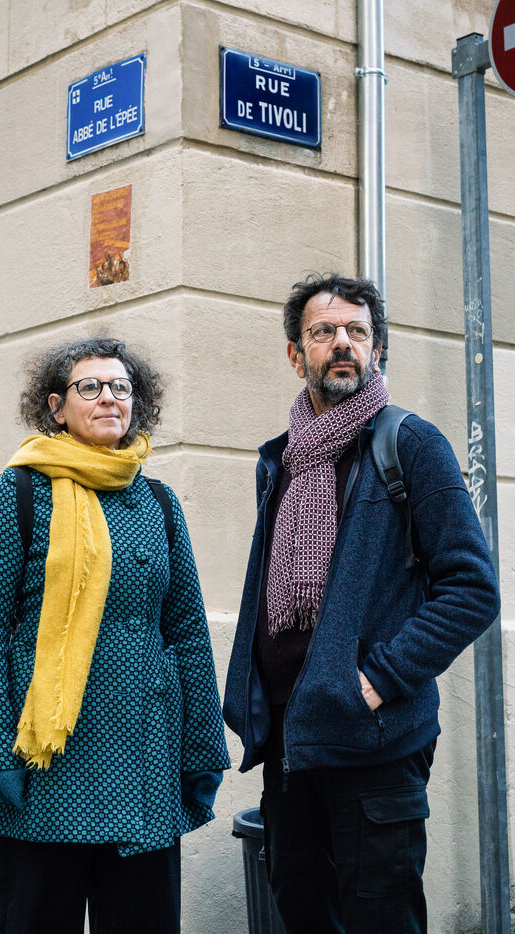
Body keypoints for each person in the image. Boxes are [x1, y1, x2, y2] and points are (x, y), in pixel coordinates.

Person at [223, 274, 500, 934]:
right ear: (296, 355)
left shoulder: (411, 445)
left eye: (357, 331)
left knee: (380, 917)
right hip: (292, 740)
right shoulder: (281, 461)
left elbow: (471, 588)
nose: (342, 343)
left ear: (378, 350)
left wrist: (377, 679)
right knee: (302, 912)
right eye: (323, 332)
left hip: (373, 740)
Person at [0, 336, 230, 934]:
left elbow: (186, 631)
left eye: (121, 387)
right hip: (44, 769)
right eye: (90, 386)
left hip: (145, 761)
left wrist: (203, 750)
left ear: (137, 403)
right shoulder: (22, 492)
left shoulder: (159, 502)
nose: (109, 397)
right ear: (56, 407)